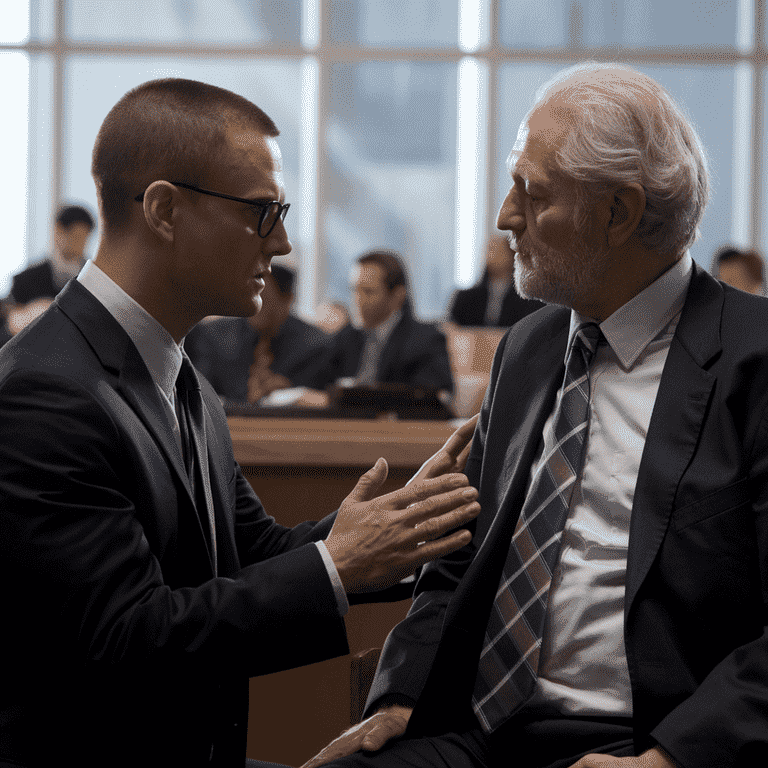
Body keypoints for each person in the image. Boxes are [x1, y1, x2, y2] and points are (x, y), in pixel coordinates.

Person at [0, 78, 483, 768]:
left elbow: (250, 552)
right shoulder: (43, 393)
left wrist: (405, 529)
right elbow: (129, 640)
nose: (283, 243)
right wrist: (339, 563)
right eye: (263, 212)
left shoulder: (181, 374)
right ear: (164, 209)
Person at [304, 62, 768, 768]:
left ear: (618, 212)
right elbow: (456, 561)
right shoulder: (527, 347)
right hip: (474, 731)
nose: (503, 217)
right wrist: (402, 694)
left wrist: (671, 759)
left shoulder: (754, 361)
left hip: (644, 743)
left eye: (530, 191)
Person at [184, 263, 330, 403]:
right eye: (247, 294)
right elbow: (200, 390)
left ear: (288, 300)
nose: (252, 305)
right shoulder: (215, 336)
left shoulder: (315, 345)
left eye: (262, 297)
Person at [317, 250, 454, 395]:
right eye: (354, 290)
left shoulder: (425, 340)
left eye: (368, 292)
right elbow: (319, 382)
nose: (357, 300)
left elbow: (431, 397)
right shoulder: (347, 337)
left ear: (397, 296)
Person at [447, 235, 543, 326]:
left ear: (512, 255)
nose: (491, 255)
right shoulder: (465, 297)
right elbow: (451, 327)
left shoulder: (529, 299)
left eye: (497, 250)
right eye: (489, 249)